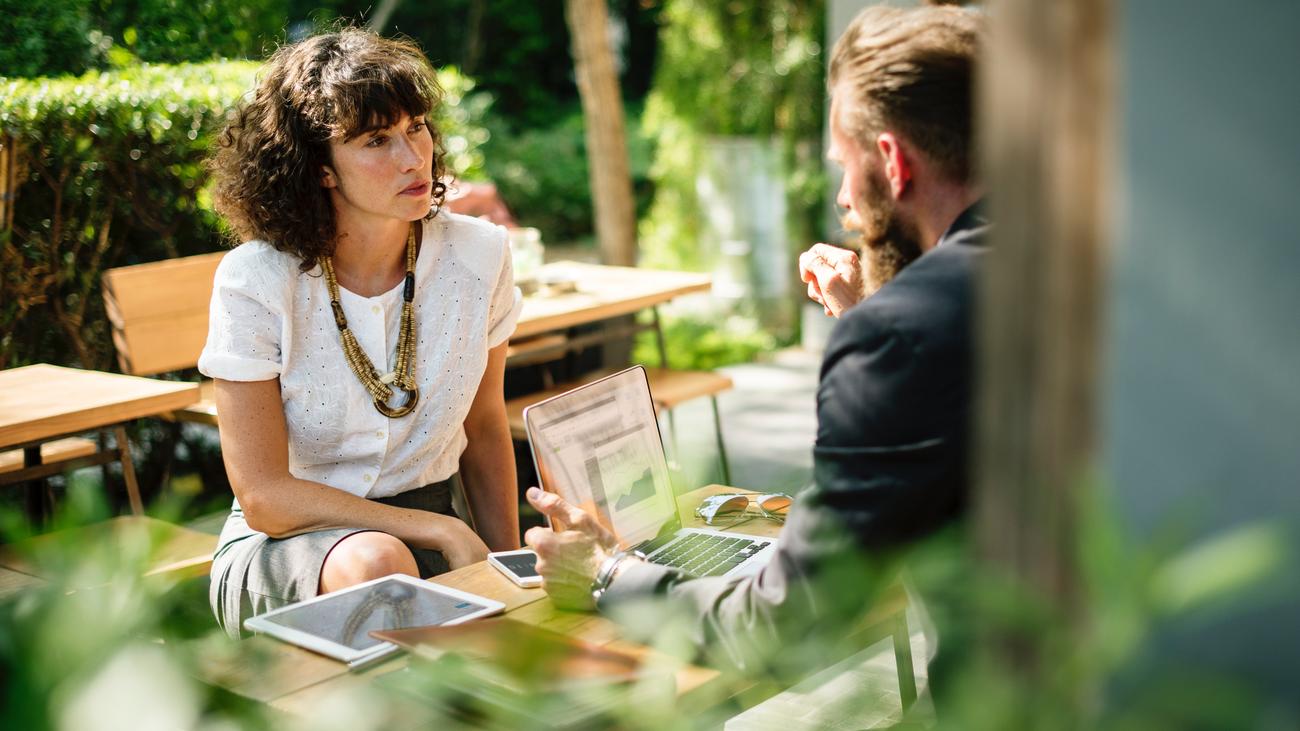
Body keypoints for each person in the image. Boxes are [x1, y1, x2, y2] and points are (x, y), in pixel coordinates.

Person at [523, 4, 986, 672]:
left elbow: (786, 624)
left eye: (843, 166)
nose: (844, 202)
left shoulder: (896, 338)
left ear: (892, 160)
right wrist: (873, 311)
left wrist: (606, 576)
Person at [201, 28, 521, 636]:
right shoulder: (257, 279)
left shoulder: (480, 255)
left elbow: (483, 428)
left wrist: (508, 570)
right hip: (293, 547)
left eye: (417, 127)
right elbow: (266, 496)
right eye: (377, 140)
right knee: (380, 562)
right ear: (320, 169)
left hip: (438, 532)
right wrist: (441, 529)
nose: (413, 157)